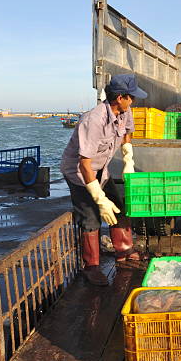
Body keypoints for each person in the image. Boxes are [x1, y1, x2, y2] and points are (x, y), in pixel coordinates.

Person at [61, 73, 147, 286]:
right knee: (91, 217)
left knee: (118, 208)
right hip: (80, 173)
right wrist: (99, 198)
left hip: (102, 170)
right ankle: (91, 266)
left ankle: (124, 251)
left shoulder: (125, 112)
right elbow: (84, 163)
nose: (133, 101)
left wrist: (128, 158)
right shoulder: (93, 120)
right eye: (131, 97)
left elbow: (127, 134)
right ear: (120, 97)